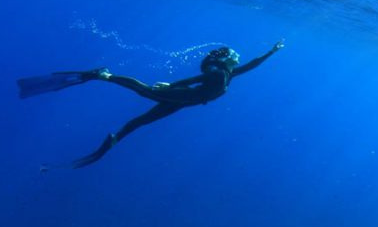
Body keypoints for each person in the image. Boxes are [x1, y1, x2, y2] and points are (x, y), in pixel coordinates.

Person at [18, 41, 284, 169]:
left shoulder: (226, 73)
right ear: (225, 59)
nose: (237, 59)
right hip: (183, 97)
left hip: (185, 100)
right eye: (234, 56)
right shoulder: (217, 71)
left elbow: (249, 66)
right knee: (144, 91)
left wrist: (271, 52)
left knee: (144, 119)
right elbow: (198, 78)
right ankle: (105, 75)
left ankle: (116, 137)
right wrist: (171, 86)